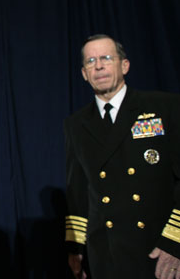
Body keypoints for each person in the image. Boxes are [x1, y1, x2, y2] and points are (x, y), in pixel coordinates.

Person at [64, 34, 180, 279]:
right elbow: (78, 191)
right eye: (90, 61)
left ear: (124, 65)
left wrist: (175, 243)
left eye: (106, 58)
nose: (99, 66)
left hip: (158, 249)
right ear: (84, 73)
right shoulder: (76, 124)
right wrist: (76, 247)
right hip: (104, 254)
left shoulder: (164, 107)